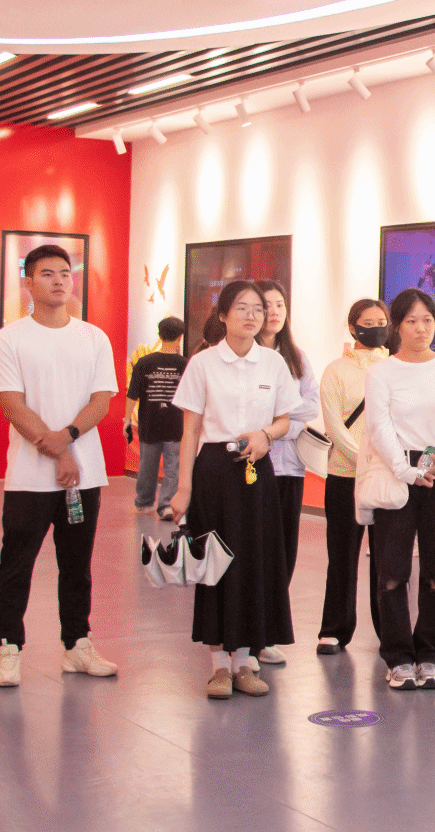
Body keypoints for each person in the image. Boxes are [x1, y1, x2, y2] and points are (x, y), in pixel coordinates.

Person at [0, 244, 121, 688]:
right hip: (29, 476)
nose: (59, 280)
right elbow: (12, 405)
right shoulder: (9, 339)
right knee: (16, 564)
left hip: (86, 475)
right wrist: (60, 450)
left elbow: (101, 400)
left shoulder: (93, 337)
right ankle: (8, 647)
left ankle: (77, 645)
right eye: (47, 274)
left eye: (65, 272)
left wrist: (70, 437)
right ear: (28, 282)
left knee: (77, 565)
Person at [168, 281, 298, 699]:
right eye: (241, 308)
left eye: (258, 309)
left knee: (254, 563)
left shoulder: (273, 363)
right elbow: (190, 432)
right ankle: (218, 667)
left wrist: (265, 435)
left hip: (256, 470)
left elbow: (285, 420)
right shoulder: (203, 363)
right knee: (215, 565)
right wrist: (183, 488)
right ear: (222, 315)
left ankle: (244, 662)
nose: (252, 315)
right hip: (213, 471)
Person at [364, 288, 435, 691]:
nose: (421, 328)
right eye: (411, 321)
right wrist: (405, 470)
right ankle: (399, 657)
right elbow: (378, 425)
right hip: (396, 472)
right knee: (392, 570)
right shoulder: (382, 371)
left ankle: (430, 655)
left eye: (427, 320)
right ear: (397, 326)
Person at [315, 298, 388, 654]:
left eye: (381, 322)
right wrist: (366, 461)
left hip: (387, 478)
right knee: (342, 556)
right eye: (367, 323)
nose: (376, 328)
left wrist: (387, 463)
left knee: (387, 560)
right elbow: (334, 427)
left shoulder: (394, 367)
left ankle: (389, 630)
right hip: (345, 476)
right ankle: (334, 629)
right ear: (352, 327)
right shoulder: (336, 371)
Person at [255, 278, 322, 665]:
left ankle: (268, 631)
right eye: (267, 305)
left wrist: (278, 424)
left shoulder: (296, 356)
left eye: (280, 304)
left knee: (284, 550)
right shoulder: (243, 354)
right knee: (254, 548)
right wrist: (280, 420)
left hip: (290, 467)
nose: (274, 312)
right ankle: (247, 631)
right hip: (251, 464)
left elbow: (310, 405)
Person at [126, 317, 187, 519]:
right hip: (176, 424)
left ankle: (144, 503)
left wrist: (127, 420)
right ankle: (166, 505)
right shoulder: (185, 364)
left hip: (149, 423)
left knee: (147, 466)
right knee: (173, 468)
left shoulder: (144, 363)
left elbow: (132, 394)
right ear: (180, 337)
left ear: (160, 335)